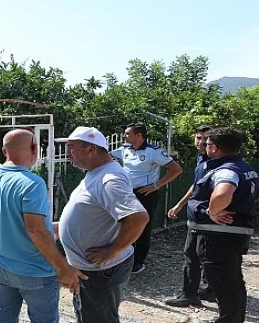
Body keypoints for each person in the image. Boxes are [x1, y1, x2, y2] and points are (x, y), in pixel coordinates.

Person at [0, 129, 86, 323]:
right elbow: (35, 230)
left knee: (2, 315)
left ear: (4, 151)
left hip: (1, 264)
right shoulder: (32, 183)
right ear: (35, 149)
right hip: (35, 271)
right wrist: (63, 268)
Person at [56, 126, 149, 323]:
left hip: (100, 272)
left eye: (71, 148)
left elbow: (138, 218)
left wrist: (112, 251)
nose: (67, 154)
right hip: (92, 270)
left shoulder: (110, 178)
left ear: (91, 150)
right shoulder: (97, 172)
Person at [185, 127, 256, 322]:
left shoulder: (226, 169)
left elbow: (223, 193)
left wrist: (211, 211)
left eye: (207, 144)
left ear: (215, 148)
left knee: (223, 285)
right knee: (233, 281)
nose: (204, 146)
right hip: (234, 234)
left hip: (217, 235)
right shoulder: (244, 166)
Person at [110, 122, 183, 274]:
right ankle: (122, 257)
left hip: (146, 193)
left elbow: (176, 170)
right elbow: (106, 156)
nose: (124, 136)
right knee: (123, 224)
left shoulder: (154, 152)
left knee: (142, 228)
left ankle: (138, 262)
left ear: (139, 135)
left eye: (128, 133)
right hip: (127, 193)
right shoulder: (124, 149)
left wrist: (155, 186)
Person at [165, 125, 215, 307]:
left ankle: (190, 294)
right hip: (201, 216)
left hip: (206, 218)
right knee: (203, 255)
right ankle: (208, 289)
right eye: (198, 137)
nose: (201, 142)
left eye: (205, 139)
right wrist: (179, 205)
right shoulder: (201, 160)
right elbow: (196, 186)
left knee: (193, 255)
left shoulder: (216, 162)